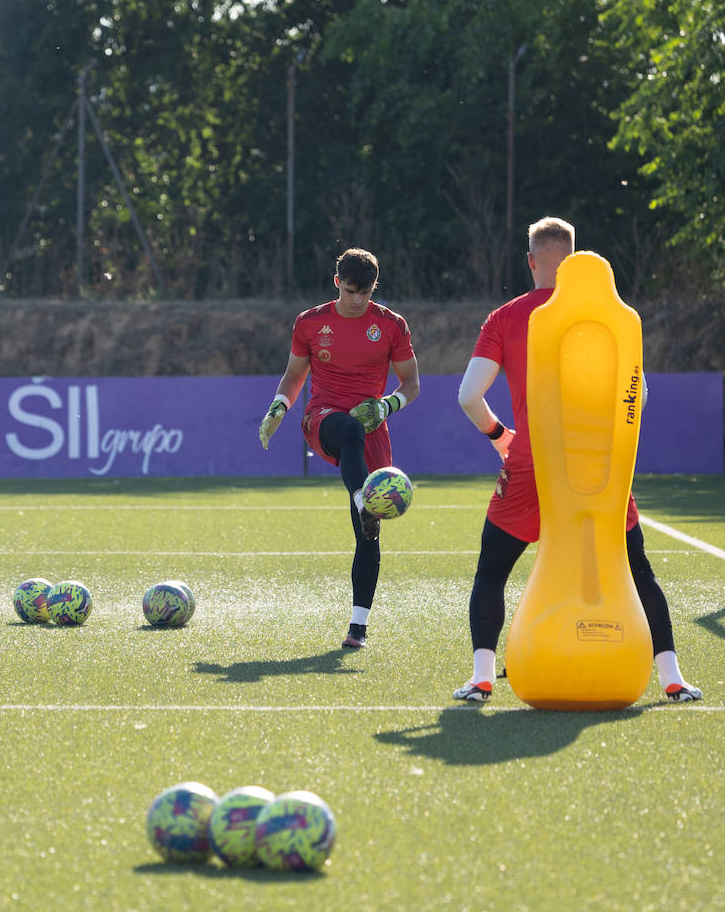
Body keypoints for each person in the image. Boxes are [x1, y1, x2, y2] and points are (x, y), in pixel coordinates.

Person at [452, 216, 701, 703]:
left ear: (530, 261)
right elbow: (640, 395)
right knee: (636, 568)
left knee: (491, 571)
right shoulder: (608, 315)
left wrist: (501, 435)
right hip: (595, 465)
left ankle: (483, 677)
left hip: (530, 464)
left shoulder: (506, 317)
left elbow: (467, 396)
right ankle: (672, 678)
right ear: (578, 258)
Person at [257, 247, 421, 648]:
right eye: (350, 291)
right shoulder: (311, 322)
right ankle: (362, 497)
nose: (357, 300)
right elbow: (295, 375)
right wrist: (278, 407)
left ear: (374, 288)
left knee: (368, 536)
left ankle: (358, 628)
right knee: (348, 428)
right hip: (323, 417)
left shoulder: (391, 325)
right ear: (337, 284)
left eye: (365, 293)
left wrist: (386, 405)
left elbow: (411, 384)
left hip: (372, 425)